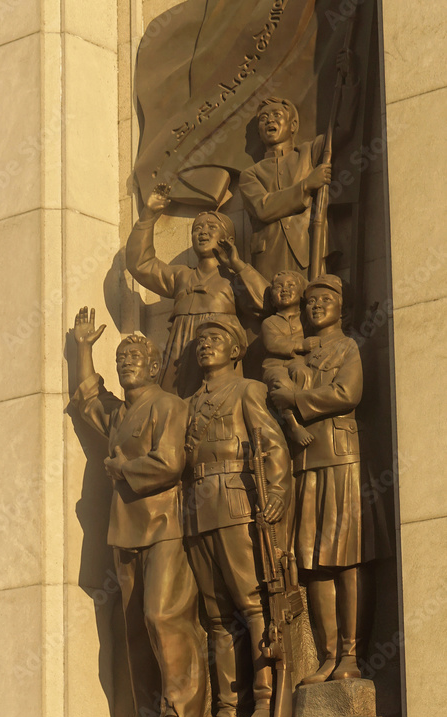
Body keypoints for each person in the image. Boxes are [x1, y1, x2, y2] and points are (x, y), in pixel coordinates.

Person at [71, 307, 207, 717]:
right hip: (125, 531)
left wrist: (123, 469)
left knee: (163, 615)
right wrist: (82, 350)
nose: (126, 364)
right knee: (132, 628)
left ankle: (182, 713)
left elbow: (170, 462)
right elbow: (90, 400)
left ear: (153, 367)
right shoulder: (120, 415)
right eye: (120, 360)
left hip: (165, 526)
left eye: (135, 359)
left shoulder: (168, 405)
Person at [269, 275, 380, 683]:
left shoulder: (349, 346)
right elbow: (275, 390)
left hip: (342, 457)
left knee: (348, 556)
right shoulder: (295, 361)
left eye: (324, 300)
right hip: (305, 463)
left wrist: (296, 400)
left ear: (341, 308)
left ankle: (351, 653)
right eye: (310, 301)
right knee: (312, 559)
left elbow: (347, 393)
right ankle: (328, 654)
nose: (315, 306)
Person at [183, 314, 291, 717]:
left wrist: (278, 492)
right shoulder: (189, 403)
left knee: (252, 604)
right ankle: (228, 708)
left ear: (234, 349)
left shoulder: (247, 391)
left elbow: (272, 445)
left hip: (235, 505)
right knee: (215, 614)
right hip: (197, 510)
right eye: (201, 340)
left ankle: (264, 702)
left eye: (214, 338)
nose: (204, 345)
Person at [126, 183, 267, 397]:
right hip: (180, 353)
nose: (203, 232)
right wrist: (149, 215)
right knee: (176, 411)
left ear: (228, 239)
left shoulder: (234, 278)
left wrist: (237, 265)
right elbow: (140, 263)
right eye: (197, 229)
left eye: (211, 228)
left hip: (219, 353)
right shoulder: (181, 276)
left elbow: (266, 302)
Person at [238, 52, 359, 281]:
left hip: (310, 245)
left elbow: (342, 128)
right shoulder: (250, 175)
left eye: (276, 115)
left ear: (293, 125)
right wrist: (306, 185)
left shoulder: (310, 152)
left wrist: (349, 80)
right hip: (269, 260)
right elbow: (263, 208)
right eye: (263, 119)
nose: (269, 121)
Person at [261, 270, 314, 447]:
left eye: (291, 286)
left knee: (303, 373)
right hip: (274, 366)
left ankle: (305, 416)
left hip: (299, 363)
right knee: (280, 382)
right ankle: (292, 425)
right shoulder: (269, 322)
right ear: (271, 299)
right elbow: (272, 344)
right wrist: (301, 345)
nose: (284, 290)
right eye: (279, 287)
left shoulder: (307, 318)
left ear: (301, 294)